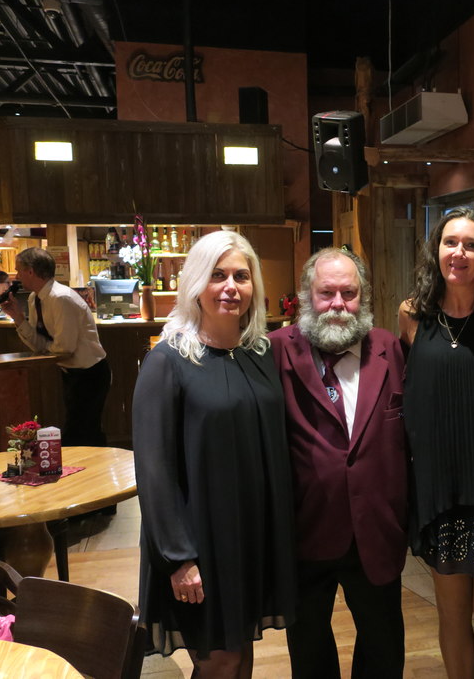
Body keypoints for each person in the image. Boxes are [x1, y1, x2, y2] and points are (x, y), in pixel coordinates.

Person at [131, 231, 296, 678]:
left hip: (251, 534)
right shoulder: (168, 360)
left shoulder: (259, 354)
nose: (231, 287)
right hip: (199, 540)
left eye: (241, 276)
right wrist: (179, 558)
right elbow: (153, 469)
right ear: (195, 283)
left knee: (241, 650)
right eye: (217, 275)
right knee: (219, 660)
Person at [269, 248, 407, 679]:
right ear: (306, 296)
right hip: (305, 532)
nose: (338, 304)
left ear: (363, 297)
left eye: (349, 293)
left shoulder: (389, 348)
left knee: (384, 652)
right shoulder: (274, 352)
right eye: (326, 293)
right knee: (309, 656)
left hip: (376, 531)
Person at [397, 207, 474, 679]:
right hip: (438, 490)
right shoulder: (413, 314)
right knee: (450, 615)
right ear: (437, 250)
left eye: (471, 244)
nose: (459, 253)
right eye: (450, 242)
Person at [0, 247, 110, 446]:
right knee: (82, 431)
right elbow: (39, 344)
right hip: (70, 372)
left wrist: (45, 349)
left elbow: (64, 348)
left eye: (18, 270)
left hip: (90, 372)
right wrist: (17, 317)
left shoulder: (61, 298)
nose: (16, 276)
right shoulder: (35, 299)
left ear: (30, 271)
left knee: (82, 432)